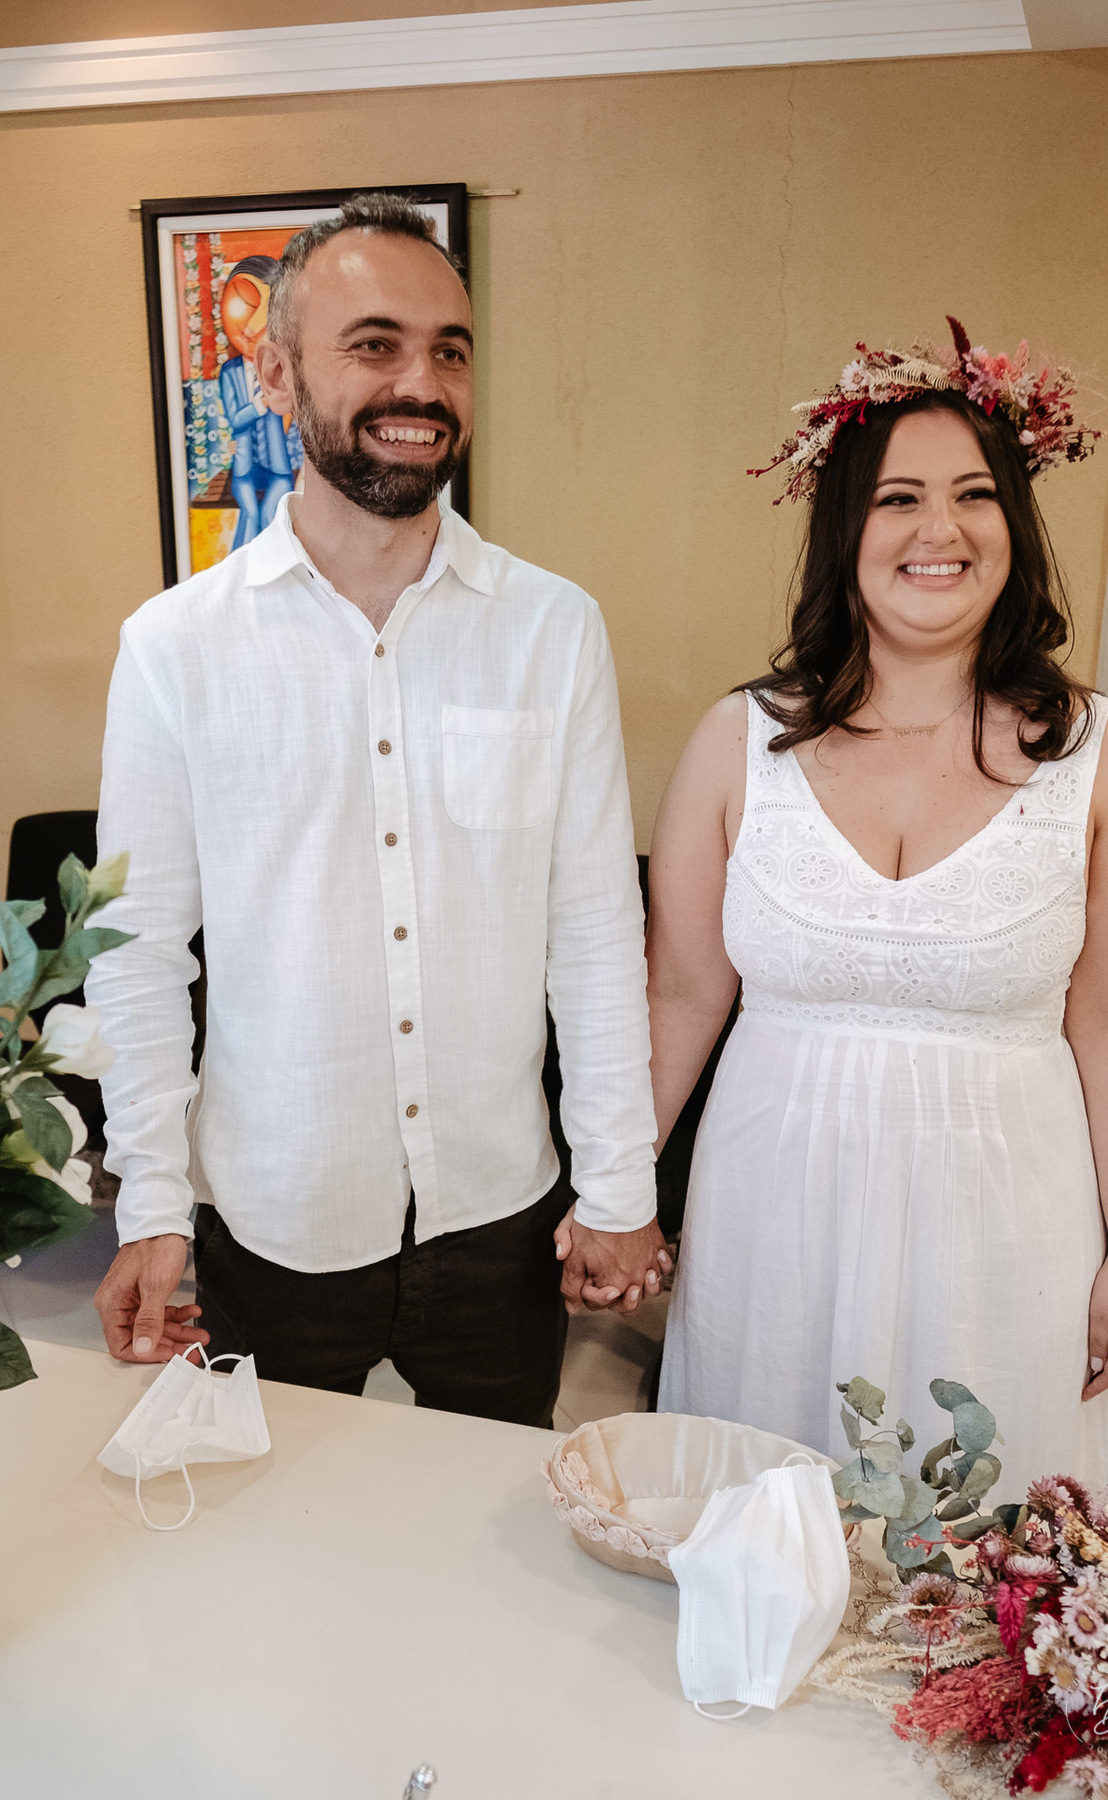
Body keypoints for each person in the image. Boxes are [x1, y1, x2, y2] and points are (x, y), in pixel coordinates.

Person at [89, 191, 668, 1424]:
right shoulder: (174, 648)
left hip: (498, 1211)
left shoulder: (552, 627)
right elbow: (136, 957)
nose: (423, 381)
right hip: (276, 1214)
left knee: (496, 1546)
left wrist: (619, 1181)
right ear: (273, 373)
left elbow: (594, 925)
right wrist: (149, 1203)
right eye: (375, 344)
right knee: (283, 1554)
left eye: (449, 349)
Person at [644, 322, 1108, 1495]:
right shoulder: (741, 743)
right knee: (754, 1532)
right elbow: (682, 991)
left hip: (1007, 1223)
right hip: (770, 1217)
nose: (938, 531)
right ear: (846, 534)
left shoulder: (1106, 760)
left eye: (973, 497)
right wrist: (612, 1197)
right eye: (898, 499)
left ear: (1014, 529)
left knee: (975, 1568)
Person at [216, 256, 297, 549]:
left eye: (261, 313)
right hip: (245, 465)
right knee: (250, 516)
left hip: (278, 465)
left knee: (273, 519)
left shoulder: (288, 370)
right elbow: (235, 418)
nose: (249, 326)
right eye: (242, 308)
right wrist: (262, 404)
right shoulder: (230, 373)